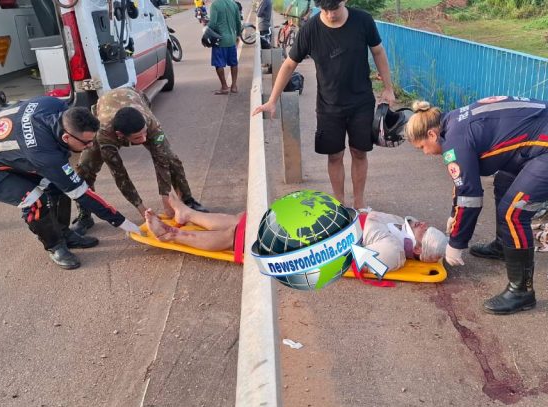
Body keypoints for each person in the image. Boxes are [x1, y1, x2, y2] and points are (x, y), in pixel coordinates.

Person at [404, 96, 548, 315]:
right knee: (504, 183)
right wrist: (453, 214)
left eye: (422, 147)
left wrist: (456, 243)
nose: (426, 153)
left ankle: (521, 291)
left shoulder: (454, 141)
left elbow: (470, 197)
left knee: (514, 213)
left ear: (431, 134)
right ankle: (504, 246)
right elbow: (464, 181)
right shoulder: (453, 123)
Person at [0, 96, 141, 270]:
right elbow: (82, 193)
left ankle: (64, 233)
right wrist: (127, 225)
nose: (91, 146)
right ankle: (55, 246)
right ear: (66, 137)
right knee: (34, 200)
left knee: (58, 184)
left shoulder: (55, 105)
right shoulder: (44, 154)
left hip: (10, 153)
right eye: (86, 143)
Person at [252, 0, 396, 210]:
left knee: (359, 152)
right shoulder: (310, 29)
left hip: (361, 102)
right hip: (329, 106)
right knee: (334, 155)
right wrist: (272, 100)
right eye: (325, 9)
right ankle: (339, 204)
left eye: (334, 8)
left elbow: (378, 52)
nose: (330, 14)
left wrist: (388, 88)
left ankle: (359, 203)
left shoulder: (363, 21)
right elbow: (290, 64)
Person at [145, 192, 448, 271]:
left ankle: (172, 235)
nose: (422, 224)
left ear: (418, 249)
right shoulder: (398, 223)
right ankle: (187, 214)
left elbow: (358, 263)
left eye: (425, 232)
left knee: (238, 236)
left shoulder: (394, 252)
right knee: (245, 219)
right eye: (425, 225)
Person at [71, 87, 206, 235]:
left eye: (144, 134)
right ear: (120, 135)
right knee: (84, 169)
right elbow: (119, 174)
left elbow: (161, 161)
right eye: (137, 138)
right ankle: (85, 215)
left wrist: (166, 199)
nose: (144, 139)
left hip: (134, 97)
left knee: (170, 159)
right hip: (105, 110)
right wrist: (142, 209)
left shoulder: (150, 124)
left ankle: (187, 201)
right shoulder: (104, 134)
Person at [207, 0, 243, 95]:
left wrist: (207, 31)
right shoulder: (234, 4)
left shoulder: (215, 5)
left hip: (220, 40)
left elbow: (212, 23)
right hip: (231, 39)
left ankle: (224, 87)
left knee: (219, 64)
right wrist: (238, 35)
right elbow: (238, 22)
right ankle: (234, 86)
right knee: (233, 63)